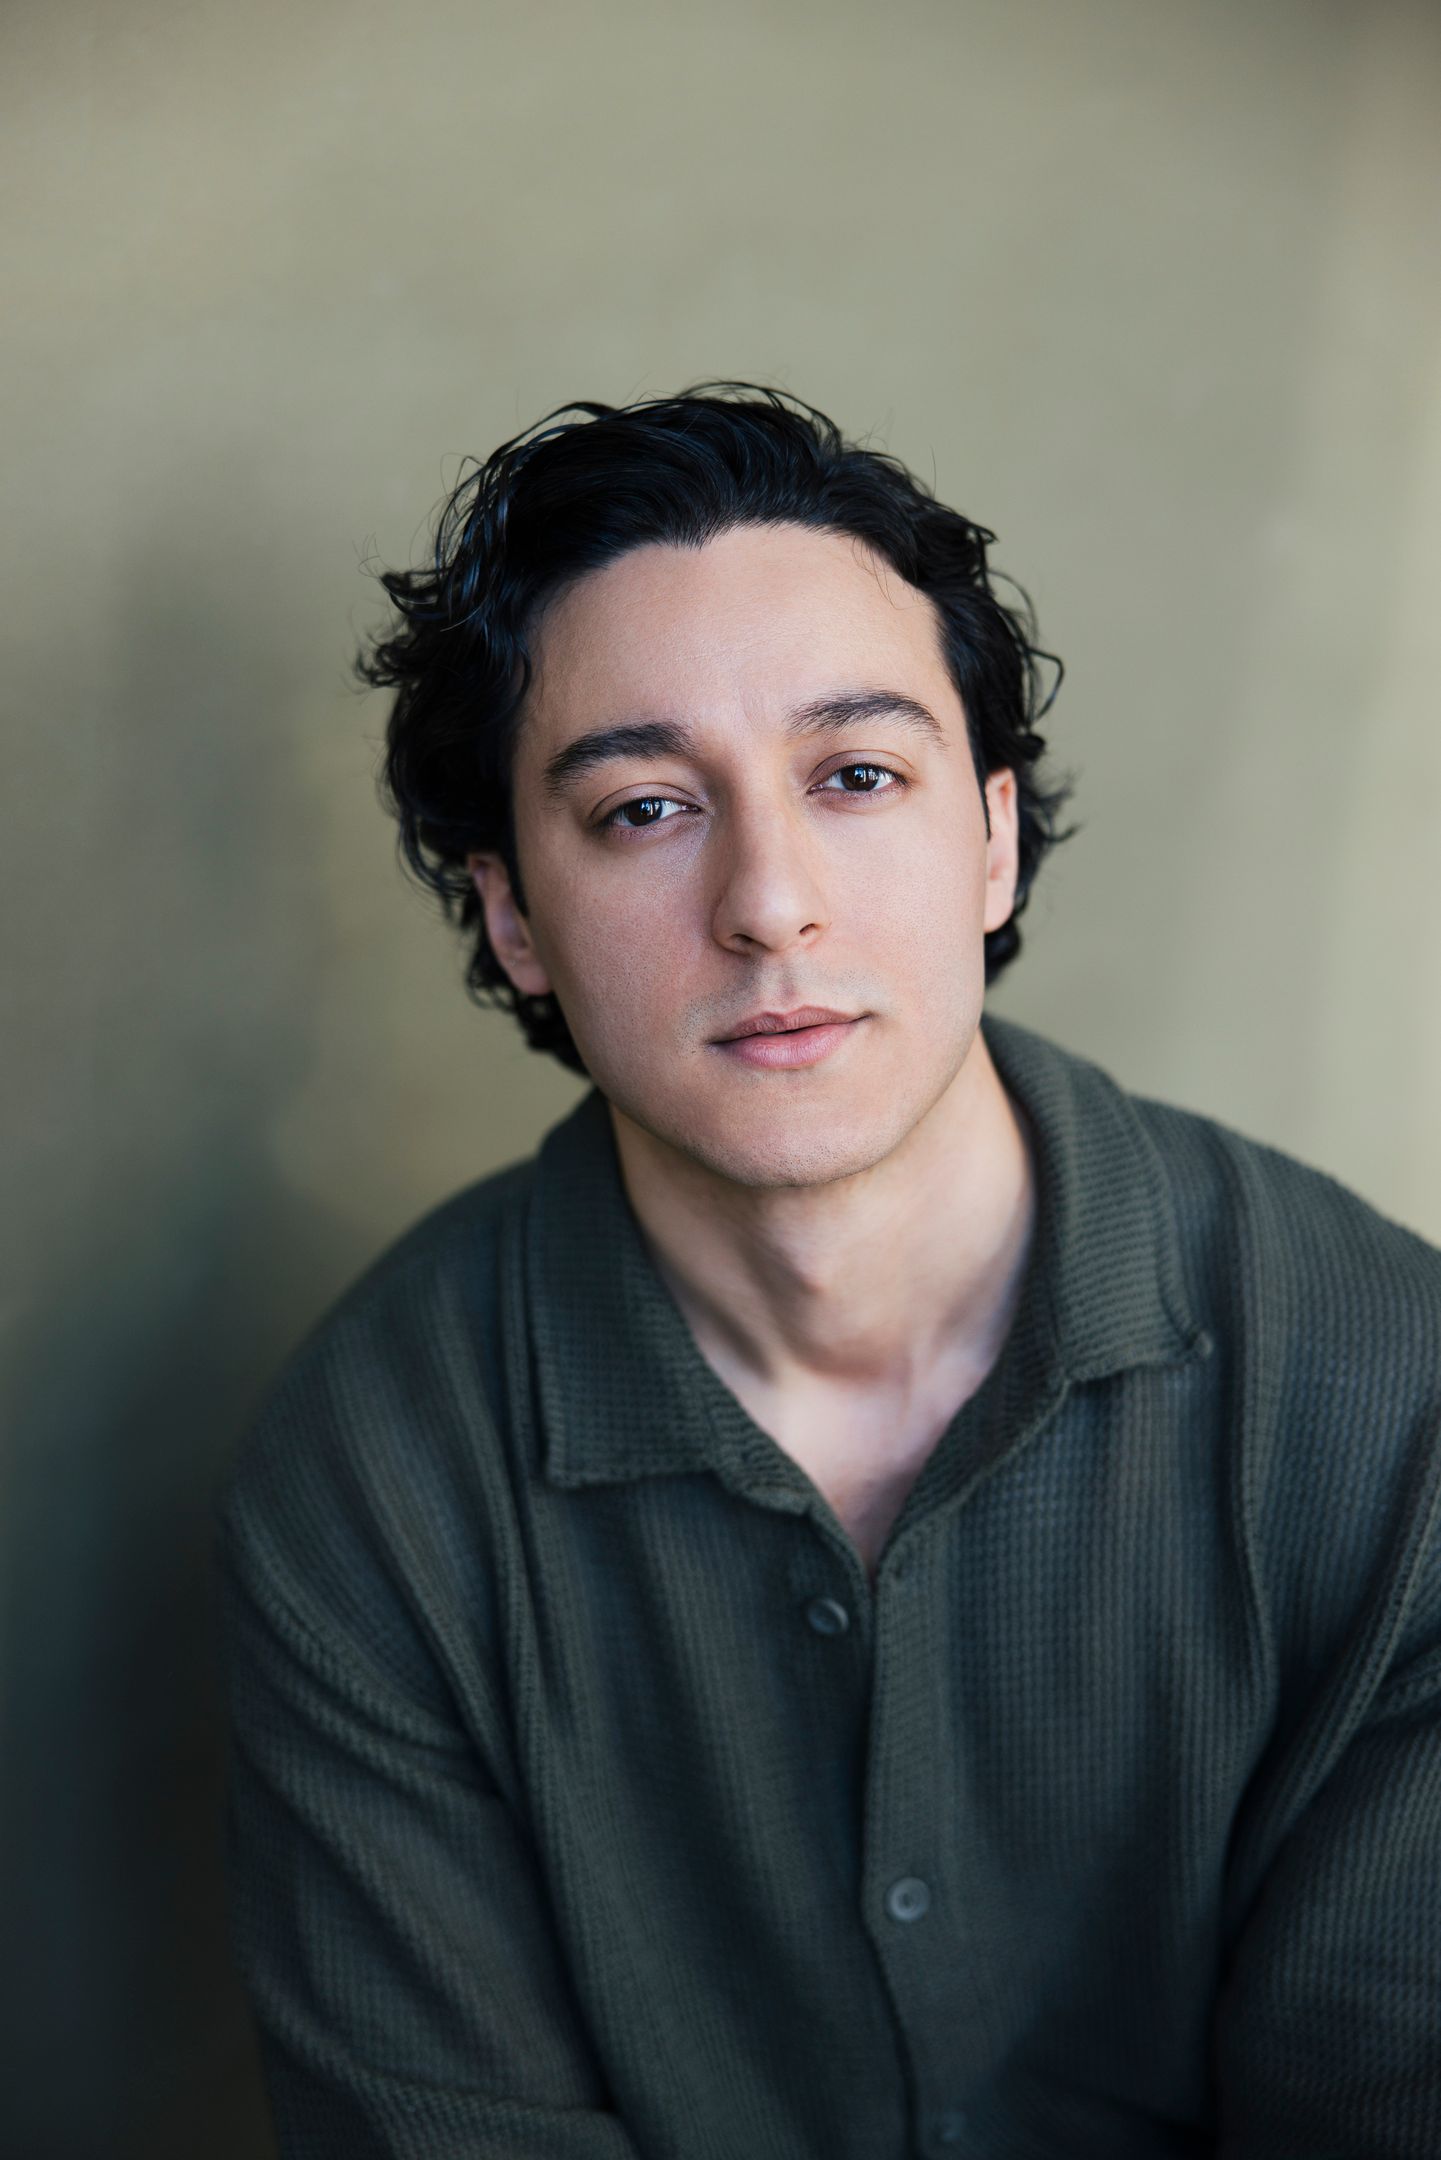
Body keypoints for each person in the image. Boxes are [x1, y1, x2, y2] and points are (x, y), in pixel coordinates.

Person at [213, 383, 1441, 2158]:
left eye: (855, 776)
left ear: (990, 838)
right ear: (511, 917)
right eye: (644, 808)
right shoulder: (371, 1478)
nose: (769, 902)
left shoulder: (1387, 1394)